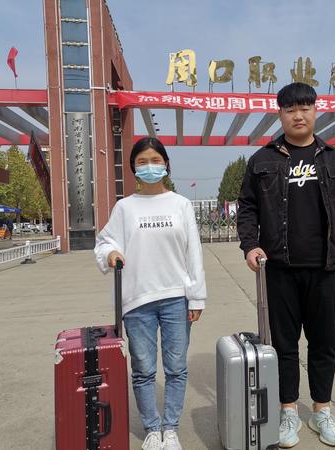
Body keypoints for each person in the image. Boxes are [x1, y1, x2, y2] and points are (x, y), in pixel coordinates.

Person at [237, 82, 335, 448]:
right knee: (284, 346)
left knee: (323, 343)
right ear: (280, 115)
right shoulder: (263, 160)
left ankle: (322, 410)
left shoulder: (334, 160)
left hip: (324, 269)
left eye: (305, 108)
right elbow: (247, 208)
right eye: (290, 110)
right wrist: (250, 245)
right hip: (279, 269)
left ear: (316, 111)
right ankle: (288, 410)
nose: (298, 115)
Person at [94, 137, 206, 450]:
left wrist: (196, 296)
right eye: (142, 162)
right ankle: (152, 430)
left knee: (176, 368)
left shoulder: (181, 205)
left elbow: (193, 253)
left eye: (155, 160)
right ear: (133, 168)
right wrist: (111, 253)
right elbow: (104, 242)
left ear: (166, 164)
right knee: (143, 370)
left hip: (176, 298)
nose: (149, 166)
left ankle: (171, 428)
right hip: (138, 300)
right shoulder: (124, 208)